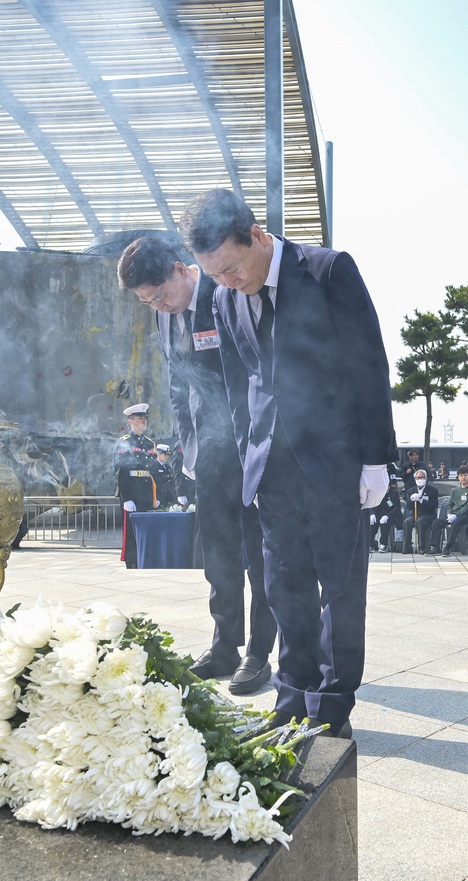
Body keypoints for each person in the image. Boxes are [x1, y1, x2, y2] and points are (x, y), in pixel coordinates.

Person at [181, 188, 393, 739]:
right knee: (283, 584)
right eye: (215, 275)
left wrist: (376, 458)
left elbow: (369, 363)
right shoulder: (224, 299)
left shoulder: (326, 271)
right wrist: (236, 457)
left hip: (334, 459)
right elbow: (235, 383)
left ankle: (332, 702)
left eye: (231, 267)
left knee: (339, 587)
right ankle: (291, 696)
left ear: (255, 235)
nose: (228, 282)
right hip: (268, 466)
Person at [119, 236, 276, 695]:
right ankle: (224, 646)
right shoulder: (166, 318)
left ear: (180, 269)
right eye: (149, 302)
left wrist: (257, 447)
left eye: (162, 294)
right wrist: (189, 449)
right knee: (219, 559)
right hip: (208, 457)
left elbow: (256, 374)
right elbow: (177, 387)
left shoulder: (226, 295)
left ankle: (259, 653)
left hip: (250, 452)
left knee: (260, 557)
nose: (161, 307)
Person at [114, 404, 159, 570]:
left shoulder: (149, 444)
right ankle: (131, 563)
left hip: (146, 493)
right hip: (132, 492)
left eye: (145, 418)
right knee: (131, 533)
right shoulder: (124, 443)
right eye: (140, 418)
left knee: (147, 530)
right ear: (130, 421)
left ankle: (145, 560)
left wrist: (157, 495)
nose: (144, 421)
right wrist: (126, 498)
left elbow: (154, 471)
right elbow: (121, 471)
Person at [437, 466, 468, 555]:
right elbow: (450, 504)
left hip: (467, 516)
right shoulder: (455, 490)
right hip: (453, 514)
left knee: (457, 522)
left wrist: (456, 515)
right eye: (461, 476)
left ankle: (448, 547)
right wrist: (449, 514)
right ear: (458, 477)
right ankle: (435, 547)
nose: (463, 478)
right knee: (437, 522)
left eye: (465, 475)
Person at [401, 468, 441, 554]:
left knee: (420, 521)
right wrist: (411, 500)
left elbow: (434, 505)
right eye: (418, 478)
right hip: (415, 514)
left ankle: (422, 546)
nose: (420, 479)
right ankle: (407, 547)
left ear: (426, 478)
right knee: (407, 522)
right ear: (415, 479)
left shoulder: (433, 490)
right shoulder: (411, 491)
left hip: (428, 515)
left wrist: (422, 501)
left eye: (422, 477)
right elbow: (409, 507)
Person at [370, 476, 402, 552]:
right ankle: (371, 544)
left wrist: (387, 516)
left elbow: (397, 508)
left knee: (385, 524)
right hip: (378, 514)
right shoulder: (377, 494)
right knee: (371, 524)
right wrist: (372, 514)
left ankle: (383, 544)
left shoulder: (394, 494)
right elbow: (372, 505)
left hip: (390, 515)